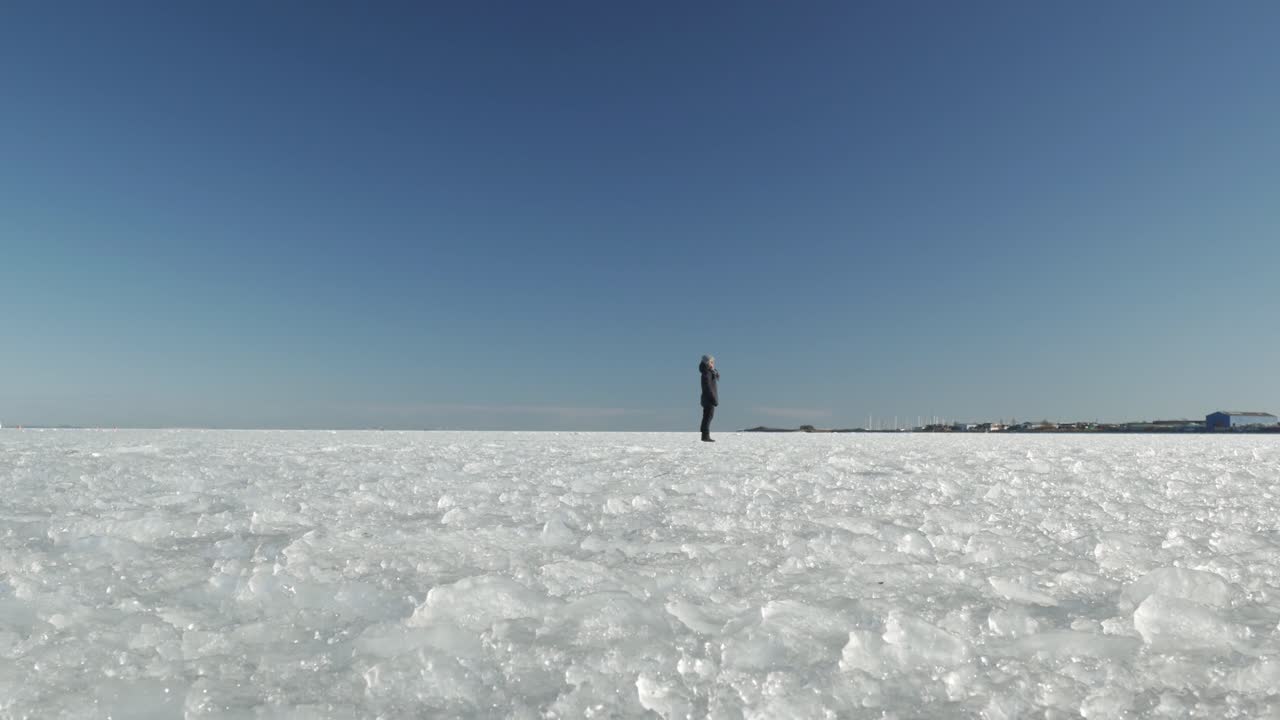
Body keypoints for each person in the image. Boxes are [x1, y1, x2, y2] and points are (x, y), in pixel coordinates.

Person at [699, 354, 719, 442]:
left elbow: (717, 377)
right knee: (708, 417)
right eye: (711, 362)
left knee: (708, 416)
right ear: (707, 363)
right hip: (708, 398)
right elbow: (707, 387)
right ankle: (705, 436)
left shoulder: (709, 372)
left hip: (708, 398)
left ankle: (705, 435)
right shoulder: (706, 373)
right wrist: (713, 399)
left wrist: (713, 371)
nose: (713, 363)